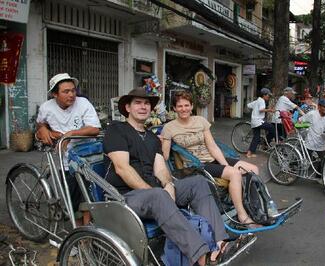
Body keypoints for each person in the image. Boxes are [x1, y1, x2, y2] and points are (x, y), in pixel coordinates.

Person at [103, 88, 234, 265]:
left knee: (197, 183)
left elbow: (160, 168)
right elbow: (122, 168)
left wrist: (168, 185)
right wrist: (157, 192)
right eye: (138, 103)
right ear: (127, 107)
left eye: (147, 103)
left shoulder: (151, 137)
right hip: (125, 196)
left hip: (155, 193)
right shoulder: (116, 130)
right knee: (158, 195)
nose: (143, 107)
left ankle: (219, 244)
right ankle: (200, 256)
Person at [161, 90, 261, 228]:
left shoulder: (201, 121)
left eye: (186, 105)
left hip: (212, 159)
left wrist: (225, 164)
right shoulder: (169, 128)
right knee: (235, 174)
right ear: (174, 108)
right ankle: (243, 216)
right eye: (179, 106)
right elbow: (165, 156)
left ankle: (254, 209)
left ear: (191, 106)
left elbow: (212, 146)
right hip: (196, 165)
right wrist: (157, 143)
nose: (183, 109)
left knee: (253, 169)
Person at [35, 73, 101, 216]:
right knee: (73, 201)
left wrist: (70, 133)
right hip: (64, 159)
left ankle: (86, 232)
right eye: (66, 91)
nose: (71, 94)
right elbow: (40, 122)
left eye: (73, 90)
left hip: (87, 156)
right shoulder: (46, 108)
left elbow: (95, 129)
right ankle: (79, 230)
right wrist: (43, 129)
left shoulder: (83, 103)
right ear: (54, 94)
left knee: (89, 197)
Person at [299, 99, 325, 173]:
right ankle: (292, 172)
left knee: (324, 162)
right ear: (319, 107)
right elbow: (301, 120)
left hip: (323, 143)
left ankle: (319, 177)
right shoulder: (312, 114)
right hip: (311, 142)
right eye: (324, 107)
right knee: (302, 161)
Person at [246, 88, 275, 158]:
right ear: (264, 95)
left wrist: (255, 108)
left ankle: (249, 153)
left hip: (254, 121)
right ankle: (265, 144)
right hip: (258, 122)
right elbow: (261, 109)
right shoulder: (261, 101)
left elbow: (248, 105)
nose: (268, 97)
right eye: (268, 95)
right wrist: (270, 110)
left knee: (256, 137)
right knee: (272, 128)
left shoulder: (257, 101)